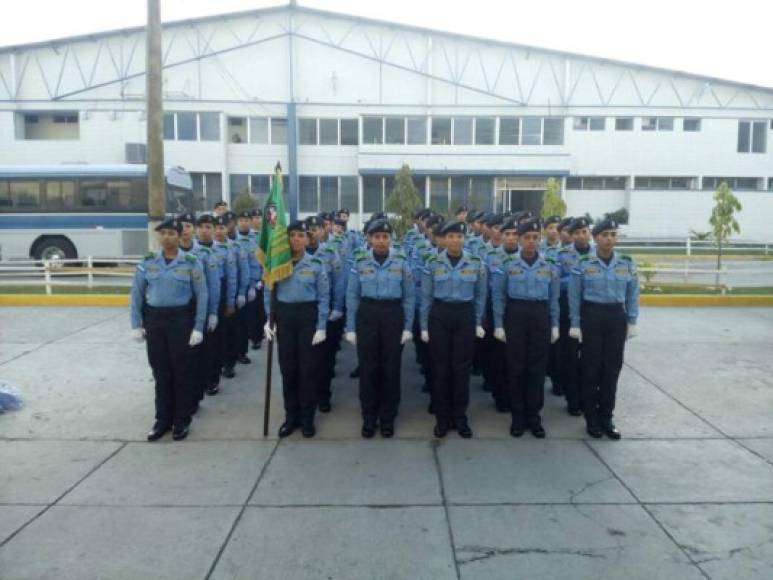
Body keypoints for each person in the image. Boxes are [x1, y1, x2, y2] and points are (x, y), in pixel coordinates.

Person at [130, 218, 207, 442]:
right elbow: (136, 295)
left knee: (182, 372)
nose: (167, 237)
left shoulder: (191, 262)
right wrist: (135, 325)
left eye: (171, 233)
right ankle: (162, 420)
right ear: (158, 236)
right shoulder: (147, 262)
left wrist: (198, 327)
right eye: (163, 233)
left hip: (181, 321)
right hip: (155, 321)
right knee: (160, 373)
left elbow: (202, 295)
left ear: (181, 235)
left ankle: (181, 420)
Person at [569, 218, 639, 440]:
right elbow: (574, 296)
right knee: (591, 368)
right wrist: (575, 323)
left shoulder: (626, 262)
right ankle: (591, 418)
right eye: (604, 234)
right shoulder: (583, 263)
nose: (609, 238)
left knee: (612, 369)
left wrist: (632, 321)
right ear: (595, 237)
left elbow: (632, 294)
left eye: (613, 234)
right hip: (592, 315)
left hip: (615, 317)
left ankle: (606, 416)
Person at [346, 219, 415, 438]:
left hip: (392, 315)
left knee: (391, 369)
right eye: (377, 237)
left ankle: (387, 418)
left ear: (391, 239)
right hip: (367, 314)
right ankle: (369, 417)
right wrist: (351, 327)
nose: (381, 241)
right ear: (369, 239)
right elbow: (352, 295)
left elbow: (410, 297)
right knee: (368, 368)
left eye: (385, 237)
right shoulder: (360, 261)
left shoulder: (402, 262)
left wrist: (407, 326)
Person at [492, 217, 560, 438]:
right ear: (519, 240)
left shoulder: (549, 265)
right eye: (527, 238)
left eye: (535, 238)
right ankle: (518, 417)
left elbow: (554, 298)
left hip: (540, 316)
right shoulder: (508, 265)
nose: (531, 241)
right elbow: (498, 297)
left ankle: (534, 417)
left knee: (537, 369)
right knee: (516, 367)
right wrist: (499, 324)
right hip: (516, 315)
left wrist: (555, 324)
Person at [421, 220, 487, 438]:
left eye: (459, 236)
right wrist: (423, 326)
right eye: (450, 236)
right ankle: (442, 417)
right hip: (440, 316)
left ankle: (460, 416)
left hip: (464, 316)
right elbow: (426, 297)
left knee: (461, 369)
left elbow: (480, 296)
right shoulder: (432, 262)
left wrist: (477, 322)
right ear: (443, 239)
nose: (455, 240)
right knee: (440, 369)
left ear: (464, 238)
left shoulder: (476, 262)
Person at [264, 220, 330, 438]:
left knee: (308, 370)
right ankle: (291, 416)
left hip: (307, 318)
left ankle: (307, 418)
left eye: (301, 235)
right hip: (285, 317)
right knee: (288, 369)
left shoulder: (316, 264)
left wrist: (321, 326)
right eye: (292, 235)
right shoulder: (278, 264)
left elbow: (323, 296)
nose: (296, 239)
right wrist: (269, 319)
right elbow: (269, 291)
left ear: (307, 239)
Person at [178, 212, 220, 411]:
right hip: (179, 312)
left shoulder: (203, 254)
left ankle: (199, 391)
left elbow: (212, 285)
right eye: (182, 226)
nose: (185, 230)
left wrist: (212, 312)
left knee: (202, 353)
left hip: (200, 308)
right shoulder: (170, 253)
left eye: (188, 226)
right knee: (183, 358)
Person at [306, 215, 345, 413]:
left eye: (316, 229)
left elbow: (339, 282)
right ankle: (306, 398)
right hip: (303, 310)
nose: (312, 233)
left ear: (324, 231)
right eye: (309, 229)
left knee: (324, 358)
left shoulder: (330, 252)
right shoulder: (293, 254)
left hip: (326, 309)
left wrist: (338, 307)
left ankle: (323, 396)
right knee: (304, 359)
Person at [555, 217, 593, 412]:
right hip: (568, 310)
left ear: (590, 233)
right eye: (577, 232)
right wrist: (576, 278)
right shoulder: (562, 255)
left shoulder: (598, 254)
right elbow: (555, 281)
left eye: (584, 231)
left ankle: (588, 399)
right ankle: (572, 400)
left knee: (590, 358)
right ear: (571, 235)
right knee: (569, 357)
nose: (581, 235)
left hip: (592, 311)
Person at [236, 210, 264, 358]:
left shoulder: (256, 239)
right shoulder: (233, 239)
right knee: (240, 319)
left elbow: (260, 260)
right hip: (238, 285)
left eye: (247, 220)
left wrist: (259, 279)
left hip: (254, 281)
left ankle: (255, 338)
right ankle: (240, 347)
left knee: (255, 312)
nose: (244, 222)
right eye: (242, 220)